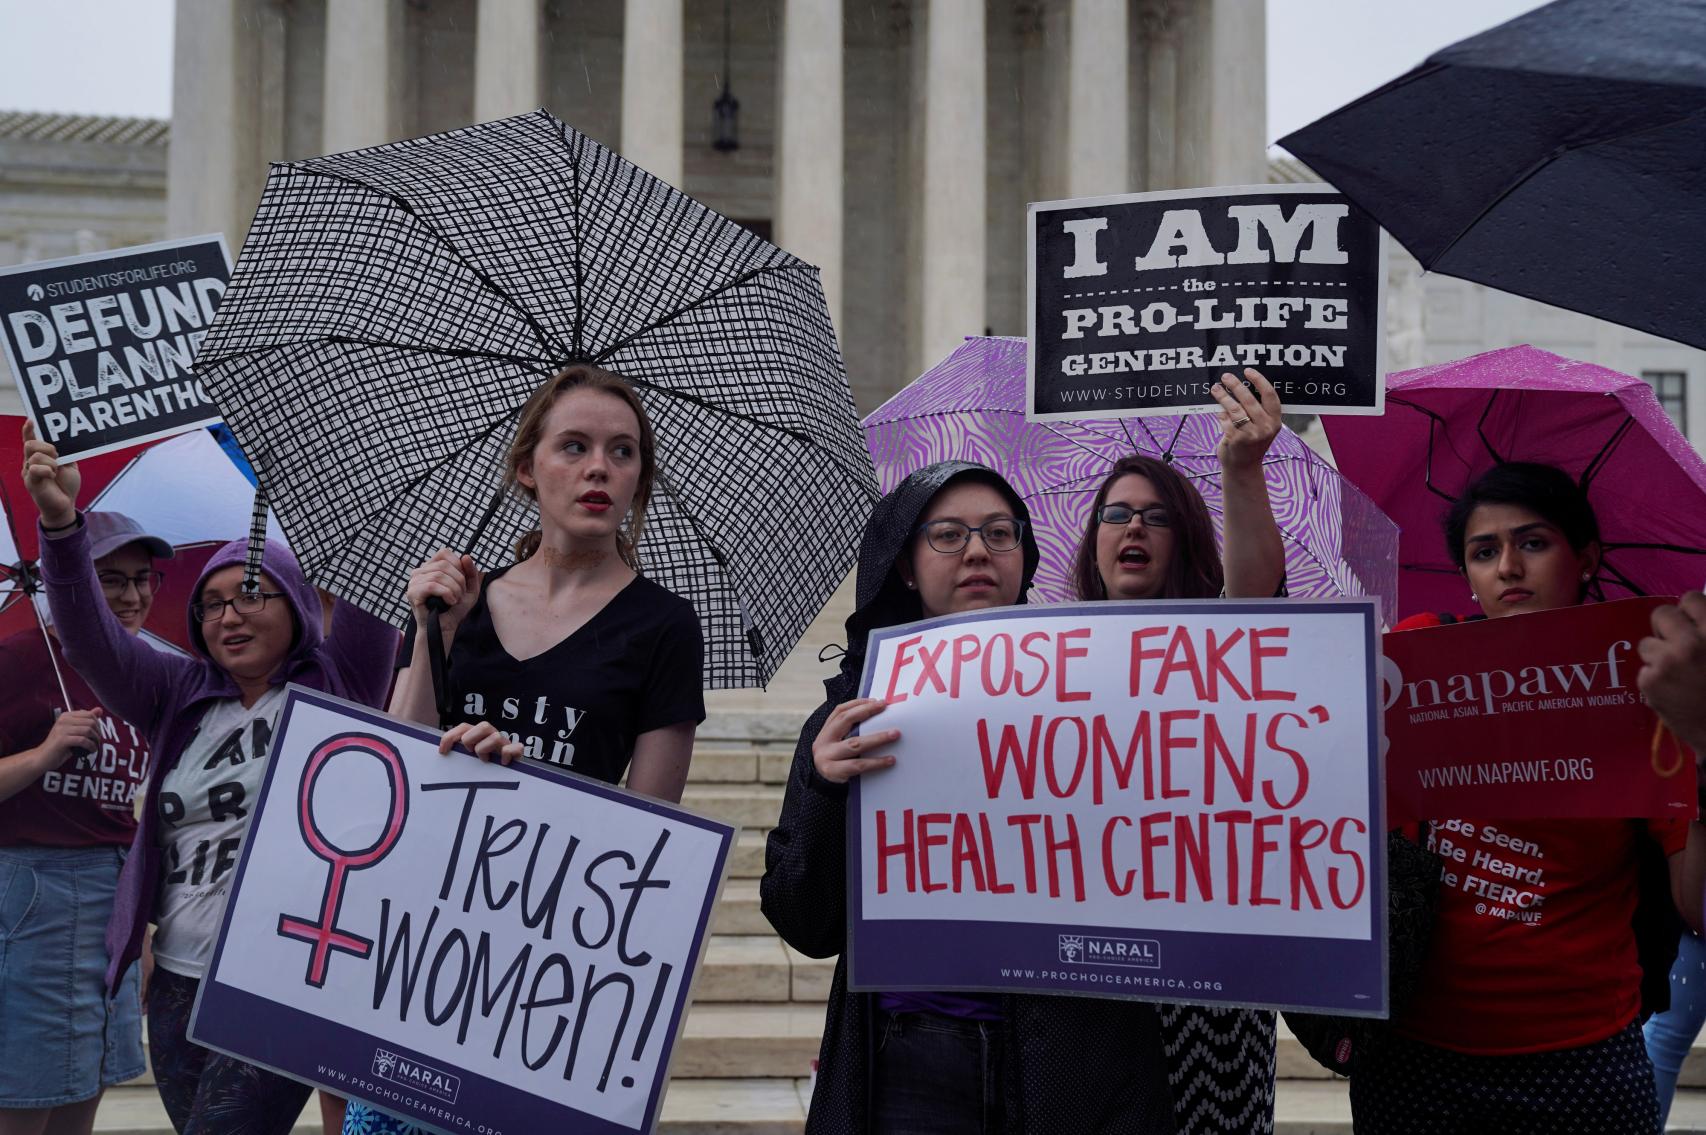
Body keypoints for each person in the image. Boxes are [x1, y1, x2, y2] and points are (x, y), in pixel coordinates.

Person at [764, 459, 1178, 1134]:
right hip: (911, 1059)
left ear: (1024, 554)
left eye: (999, 532)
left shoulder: (1102, 693)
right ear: (905, 562)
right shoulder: (851, 716)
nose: (979, 550)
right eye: (949, 534)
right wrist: (824, 788)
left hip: (1077, 1059)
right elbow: (802, 922)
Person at [341, 364, 704, 1135]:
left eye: (623, 451)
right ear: (525, 469)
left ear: (640, 480)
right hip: (424, 944)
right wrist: (432, 632)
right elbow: (394, 771)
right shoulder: (455, 600)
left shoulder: (666, 626)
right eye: (573, 446)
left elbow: (651, 833)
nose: (599, 467)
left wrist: (529, 786)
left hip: (552, 967)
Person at [22, 428, 399, 1135]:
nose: (228, 614)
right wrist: (60, 525)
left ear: (296, 602)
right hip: (177, 979)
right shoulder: (177, 692)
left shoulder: (340, 680)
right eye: (212, 603)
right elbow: (88, 638)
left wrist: (344, 476)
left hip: (283, 979)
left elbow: (373, 579)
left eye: (252, 592)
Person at [1349, 461, 1706, 1135]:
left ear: (1588, 557)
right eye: (1485, 552)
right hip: (1414, 1056)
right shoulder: (1411, 655)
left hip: (1585, 1060)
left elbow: (1696, 903)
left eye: (1533, 542)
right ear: (1468, 575)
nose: (1508, 566)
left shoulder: (1649, 689)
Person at [1069, 369, 1285, 1135]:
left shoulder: (1217, 645)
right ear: (1092, 540)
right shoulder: (1037, 663)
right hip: (1079, 983)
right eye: (1117, 513)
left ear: (1186, 539)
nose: (1132, 527)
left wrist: (1241, 467)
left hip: (1201, 999)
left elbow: (1255, 601)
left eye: (1155, 517)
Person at [0, 511, 168, 1135]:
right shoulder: (16, 660)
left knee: (87, 1088)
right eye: (110, 580)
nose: (131, 596)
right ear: (68, 584)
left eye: (141, 579)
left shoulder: (142, 670)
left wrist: (142, 931)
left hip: (114, 899)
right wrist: (43, 755)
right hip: (32, 896)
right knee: (23, 1095)